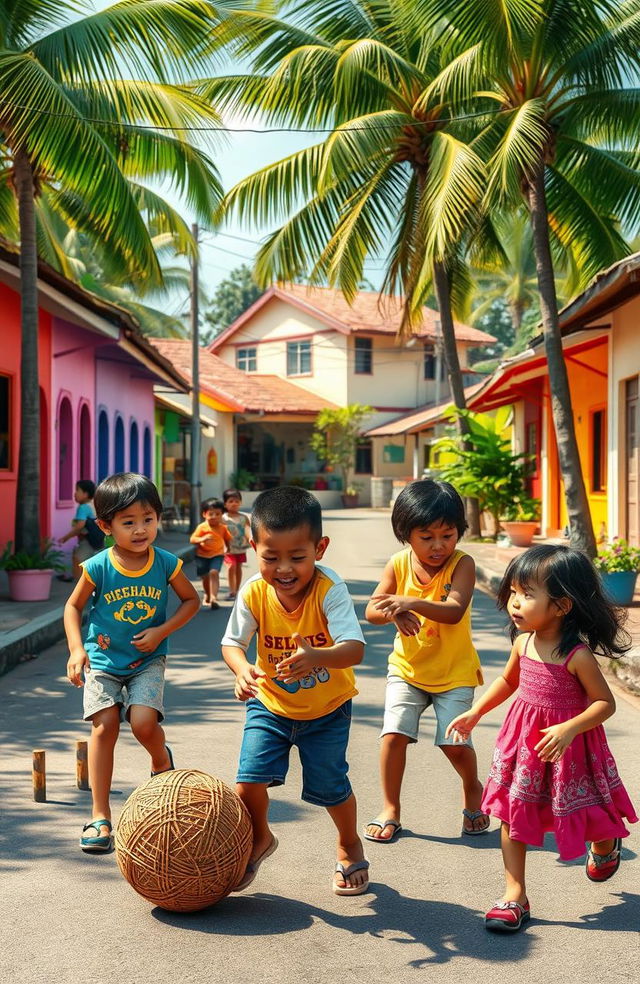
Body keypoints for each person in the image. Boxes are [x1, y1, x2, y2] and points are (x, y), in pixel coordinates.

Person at [447, 544, 638, 933]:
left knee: (589, 814)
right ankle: (514, 893)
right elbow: (508, 680)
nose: (515, 603)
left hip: (573, 749)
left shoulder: (577, 655)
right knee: (511, 812)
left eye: (527, 594)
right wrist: (477, 711)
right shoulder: (523, 642)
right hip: (524, 745)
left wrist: (569, 728)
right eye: (513, 593)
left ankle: (605, 845)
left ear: (562, 605)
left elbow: (605, 704)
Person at [221, 486, 369, 896]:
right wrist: (242, 669)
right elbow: (232, 643)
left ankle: (348, 843)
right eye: (271, 557)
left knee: (331, 787)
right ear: (253, 547)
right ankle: (260, 838)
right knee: (248, 781)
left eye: (297, 557)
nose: (283, 569)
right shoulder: (253, 591)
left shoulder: (329, 590)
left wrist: (319, 656)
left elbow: (354, 649)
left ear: (319, 548)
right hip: (270, 705)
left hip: (327, 709)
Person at [64, 472, 200, 853]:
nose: (141, 529)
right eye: (128, 522)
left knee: (143, 723)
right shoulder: (98, 566)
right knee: (105, 726)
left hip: (147, 660)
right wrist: (77, 649)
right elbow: (73, 607)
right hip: (104, 660)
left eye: (148, 519)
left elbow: (192, 602)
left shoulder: (167, 563)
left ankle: (161, 758)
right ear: (106, 525)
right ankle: (99, 815)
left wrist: (161, 632)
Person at [364, 479, 488, 843]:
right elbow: (373, 608)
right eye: (426, 536)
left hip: (455, 672)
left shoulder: (462, 564)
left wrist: (409, 602)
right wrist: (393, 613)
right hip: (407, 669)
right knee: (393, 735)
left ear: (459, 533)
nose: (438, 545)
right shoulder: (398, 563)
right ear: (406, 534)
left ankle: (472, 789)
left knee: (453, 742)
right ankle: (390, 809)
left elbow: (453, 610)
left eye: (447, 535)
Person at [189, 497, 232, 609]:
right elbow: (192, 539)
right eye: (211, 514)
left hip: (217, 554)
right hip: (201, 556)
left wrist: (228, 548)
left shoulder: (222, 528)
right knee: (205, 577)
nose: (214, 517)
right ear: (204, 514)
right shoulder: (202, 527)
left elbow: (227, 538)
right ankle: (207, 595)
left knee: (214, 572)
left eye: (218, 514)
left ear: (222, 514)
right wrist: (202, 539)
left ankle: (213, 597)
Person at [58, 479, 97, 579]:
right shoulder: (95, 504)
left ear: (85, 494)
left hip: (87, 541)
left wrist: (65, 538)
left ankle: (79, 585)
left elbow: (80, 526)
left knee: (77, 559)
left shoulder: (83, 507)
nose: (74, 494)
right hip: (99, 540)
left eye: (77, 490)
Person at [222, 488, 251, 601]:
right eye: (231, 501)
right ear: (225, 504)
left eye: (237, 501)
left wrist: (251, 540)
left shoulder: (243, 517)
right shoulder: (223, 519)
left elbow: (248, 529)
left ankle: (237, 590)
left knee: (238, 567)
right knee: (231, 566)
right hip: (228, 548)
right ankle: (232, 590)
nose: (234, 504)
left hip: (241, 547)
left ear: (240, 503)